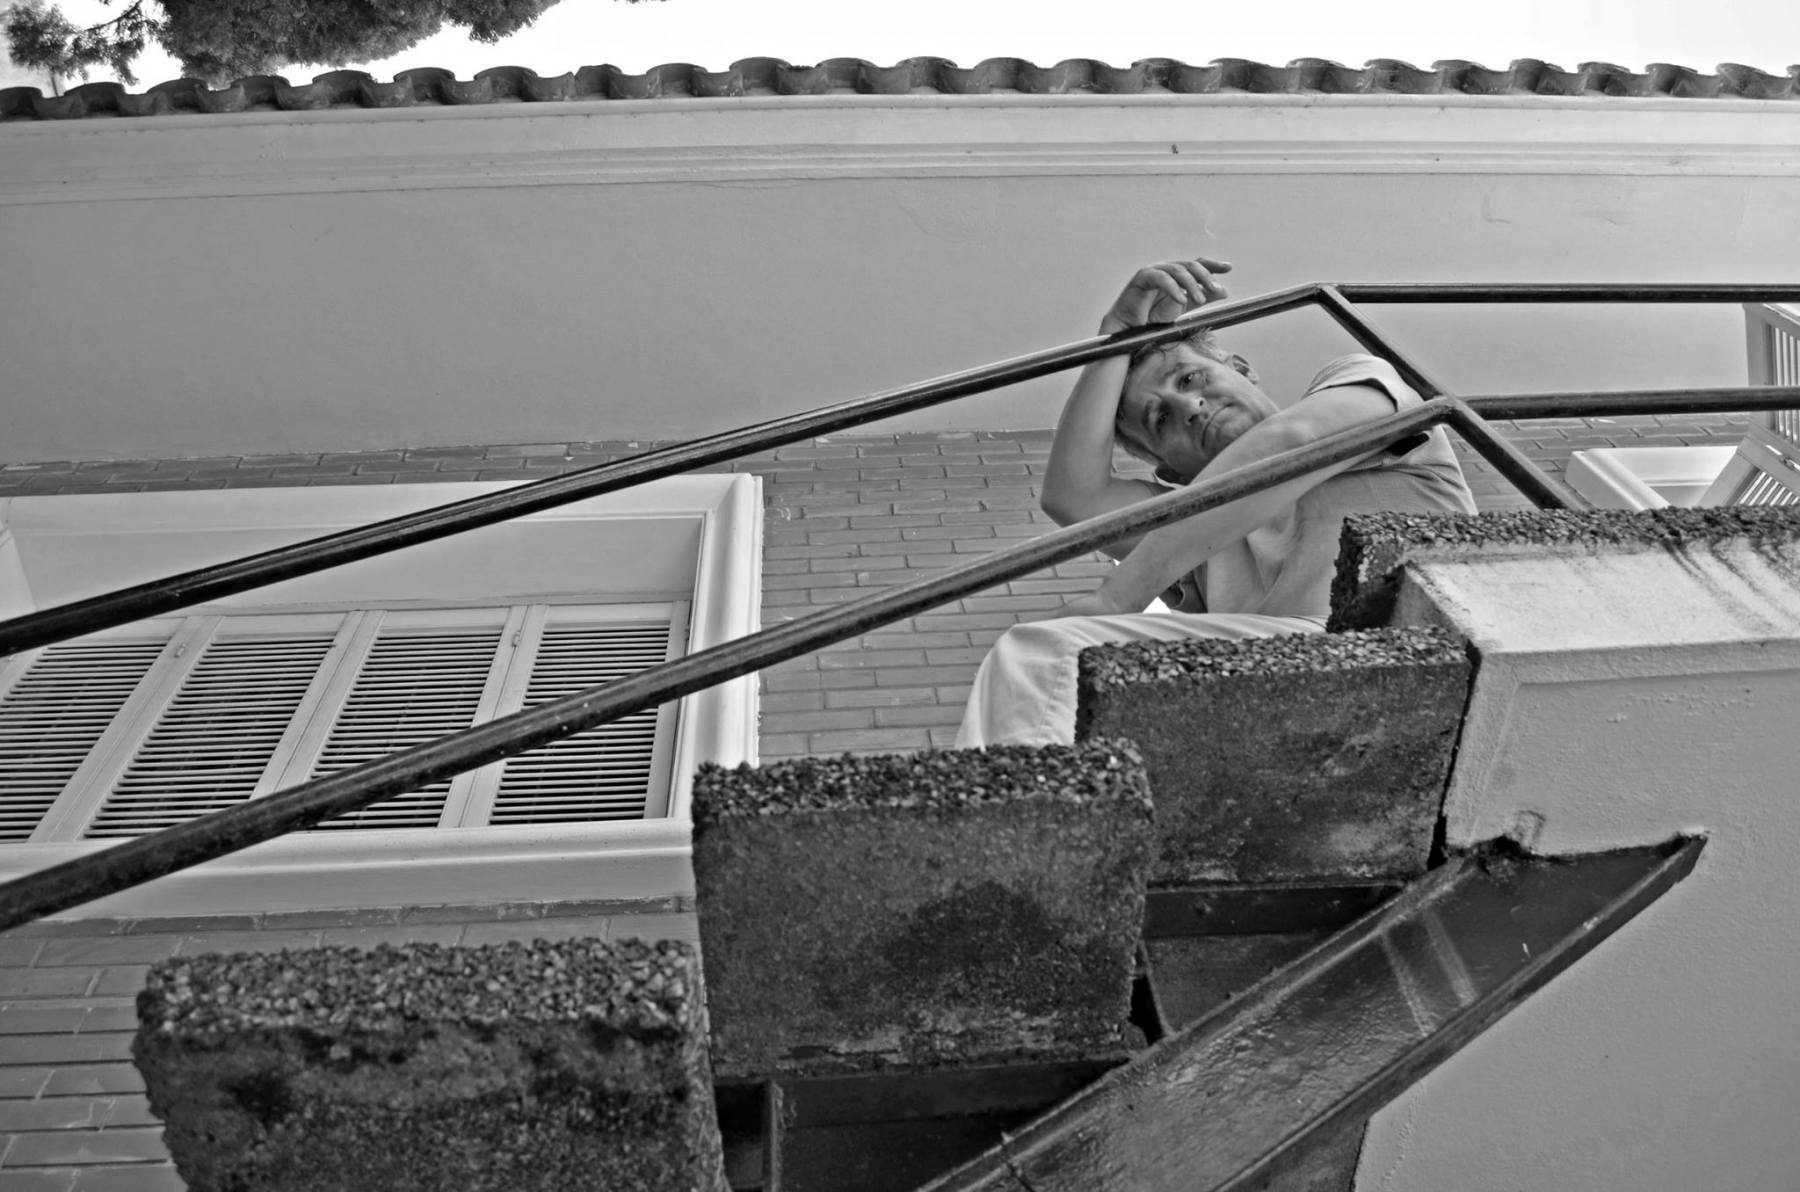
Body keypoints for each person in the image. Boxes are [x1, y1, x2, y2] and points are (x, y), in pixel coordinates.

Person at [955, 256, 1478, 747]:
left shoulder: (1356, 382)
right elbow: (1073, 497)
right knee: (1044, 665)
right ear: (1170, 471)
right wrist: (1113, 337)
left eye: (1189, 378)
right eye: (1161, 419)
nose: (1189, 405)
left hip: (1409, 653)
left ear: (1243, 369)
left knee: (1044, 655)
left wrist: (1117, 597)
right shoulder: (1190, 528)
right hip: (1275, 692)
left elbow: (1291, 441)